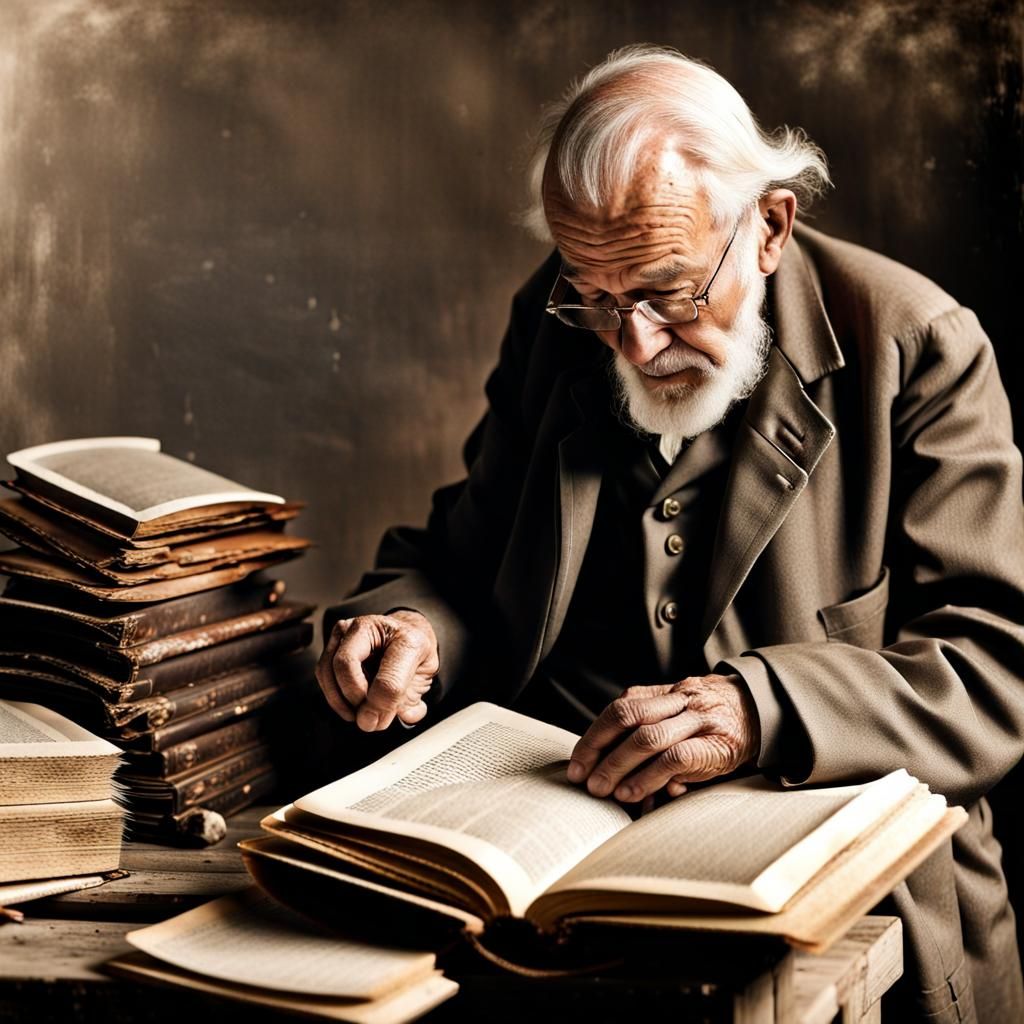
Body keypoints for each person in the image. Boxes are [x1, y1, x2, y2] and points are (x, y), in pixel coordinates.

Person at [316, 45, 1024, 1021]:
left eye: (667, 291)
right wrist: (409, 628)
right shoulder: (561, 319)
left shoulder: (915, 344)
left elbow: (996, 671)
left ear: (768, 226)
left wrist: (760, 707)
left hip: (838, 887)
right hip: (555, 869)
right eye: (597, 296)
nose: (633, 343)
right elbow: (461, 558)